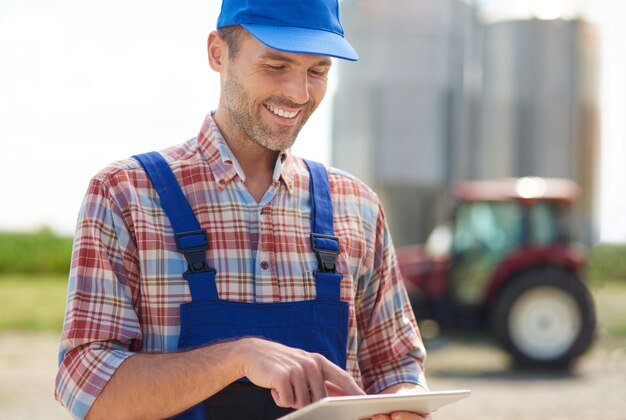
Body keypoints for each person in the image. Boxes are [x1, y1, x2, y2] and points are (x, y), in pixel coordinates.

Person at [55, 0, 429, 419]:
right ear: (218, 52)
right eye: (276, 65)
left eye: (317, 71)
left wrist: (404, 402)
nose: (298, 93)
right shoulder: (126, 195)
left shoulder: (357, 207)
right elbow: (88, 390)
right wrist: (238, 357)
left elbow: (396, 366)